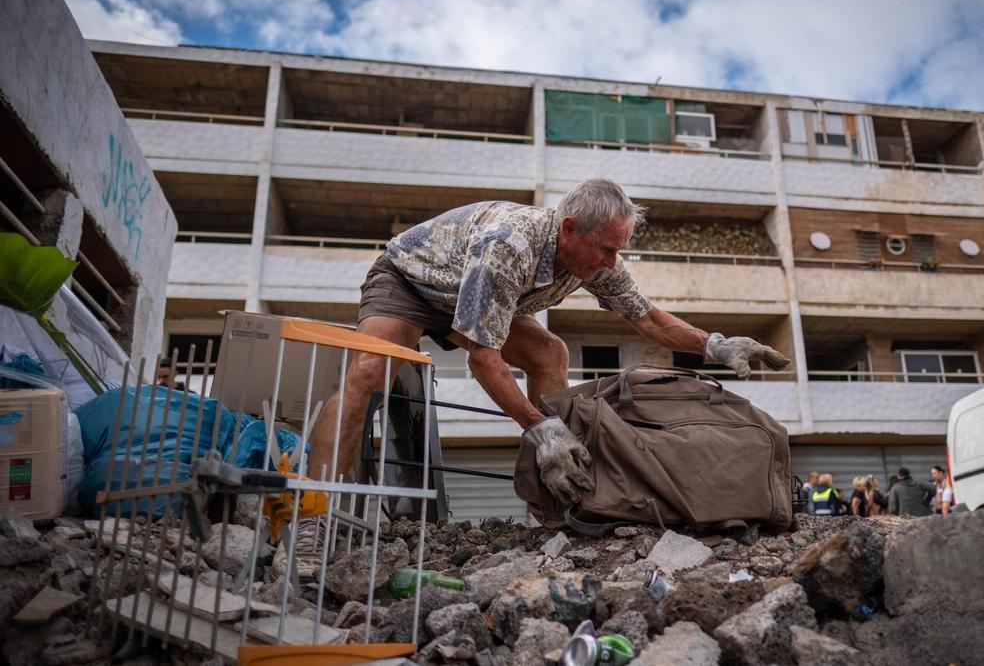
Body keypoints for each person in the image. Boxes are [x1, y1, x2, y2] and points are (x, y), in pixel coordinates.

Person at [307, 178, 790, 503]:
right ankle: (312, 508)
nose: (610, 261)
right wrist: (539, 427)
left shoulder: (595, 261)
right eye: (605, 249)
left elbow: (649, 321)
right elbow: (483, 359)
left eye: (617, 251)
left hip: (475, 297)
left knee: (550, 352)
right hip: (413, 281)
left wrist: (716, 346)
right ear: (569, 229)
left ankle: (554, 495)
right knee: (371, 372)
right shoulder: (510, 245)